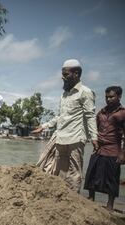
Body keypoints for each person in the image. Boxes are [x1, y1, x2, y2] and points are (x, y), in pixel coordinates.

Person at [32, 59, 98, 192]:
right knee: (59, 171)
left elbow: (90, 116)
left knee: (74, 173)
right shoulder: (64, 94)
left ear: (77, 74)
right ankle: (61, 198)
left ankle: (74, 199)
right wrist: (44, 126)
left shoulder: (85, 92)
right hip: (61, 137)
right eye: (63, 74)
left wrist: (94, 137)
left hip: (75, 137)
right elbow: (60, 116)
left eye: (66, 74)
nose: (63, 77)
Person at [84, 86, 125, 211]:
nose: (108, 99)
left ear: (119, 97)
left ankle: (110, 205)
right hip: (98, 148)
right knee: (92, 173)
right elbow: (93, 128)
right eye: (107, 97)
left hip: (114, 149)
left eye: (112, 97)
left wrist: (123, 153)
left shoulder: (123, 113)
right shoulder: (101, 112)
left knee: (112, 178)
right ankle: (91, 198)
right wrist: (93, 141)